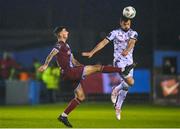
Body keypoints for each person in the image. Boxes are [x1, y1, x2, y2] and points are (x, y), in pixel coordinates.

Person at [38, 26, 136, 127]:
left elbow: (73, 61)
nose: (67, 32)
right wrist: (45, 64)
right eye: (65, 31)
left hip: (69, 74)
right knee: (97, 67)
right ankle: (123, 70)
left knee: (81, 97)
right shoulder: (60, 44)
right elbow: (52, 53)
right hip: (70, 72)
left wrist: (82, 67)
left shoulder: (66, 46)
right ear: (60, 34)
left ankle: (63, 116)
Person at [82, 16, 138, 120]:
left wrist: (127, 49)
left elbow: (132, 43)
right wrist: (92, 52)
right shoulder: (114, 33)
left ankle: (118, 106)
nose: (127, 26)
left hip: (129, 62)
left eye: (128, 24)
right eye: (125, 24)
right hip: (118, 61)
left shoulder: (133, 33)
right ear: (120, 23)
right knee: (131, 82)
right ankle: (116, 90)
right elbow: (103, 42)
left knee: (126, 87)